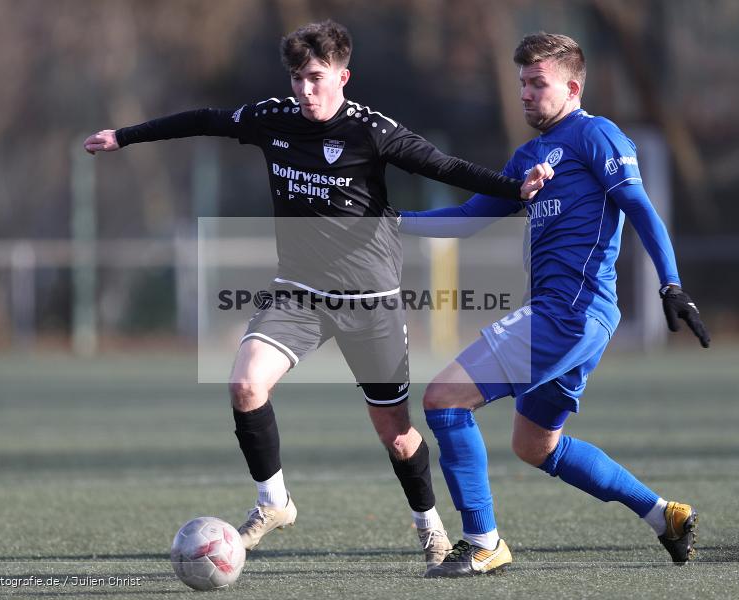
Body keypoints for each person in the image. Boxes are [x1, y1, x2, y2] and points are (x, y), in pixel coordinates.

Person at [84, 20, 541, 568]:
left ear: (342, 77)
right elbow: (204, 119)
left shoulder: (373, 131)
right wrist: (125, 136)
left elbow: (444, 166)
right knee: (245, 385)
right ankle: (273, 502)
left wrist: (515, 189)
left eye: (316, 78)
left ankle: (430, 526)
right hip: (299, 292)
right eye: (297, 78)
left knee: (396, 436)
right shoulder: (272, 118)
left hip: (371, 301)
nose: (304, 89)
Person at [397, 32, 710, 577]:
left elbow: (640, 207)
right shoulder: (527, 158)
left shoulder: (595, 134)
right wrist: (388, 222)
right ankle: (663, 515)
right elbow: (466, 219)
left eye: (537, 83)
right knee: (536, 445)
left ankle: (483, 542)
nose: (525, 93)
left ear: (572, 87)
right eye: (521, 82)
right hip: (571, 317)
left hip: (570, 311)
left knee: (444, 399)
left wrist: (672, 285)